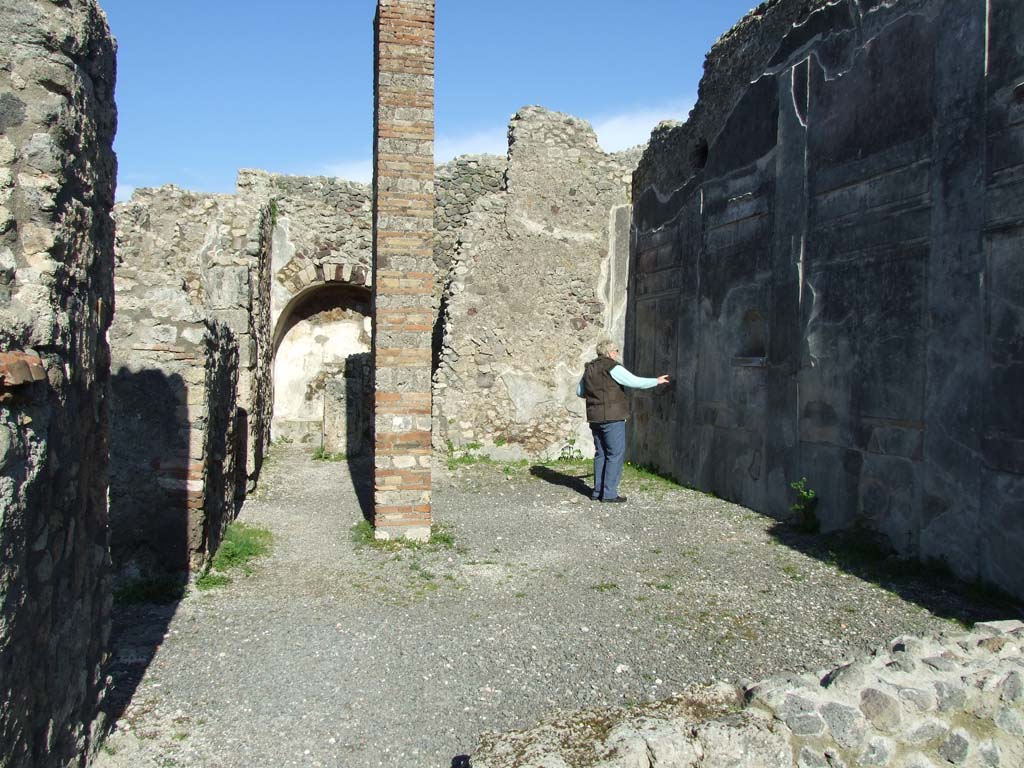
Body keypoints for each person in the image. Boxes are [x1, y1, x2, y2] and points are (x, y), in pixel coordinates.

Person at [576, 339, 669, 503]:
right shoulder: (613, 367)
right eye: (616, 351)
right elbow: (635, 382)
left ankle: (598, 491)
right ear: (610, 352)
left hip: (594, 417)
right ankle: (609, 494)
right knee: (615, 454)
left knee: (601, 454)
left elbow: (579, 391)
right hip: (612, 418)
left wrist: (597, 397)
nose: (617, 354)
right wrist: (657, 381)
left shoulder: (589, 368)